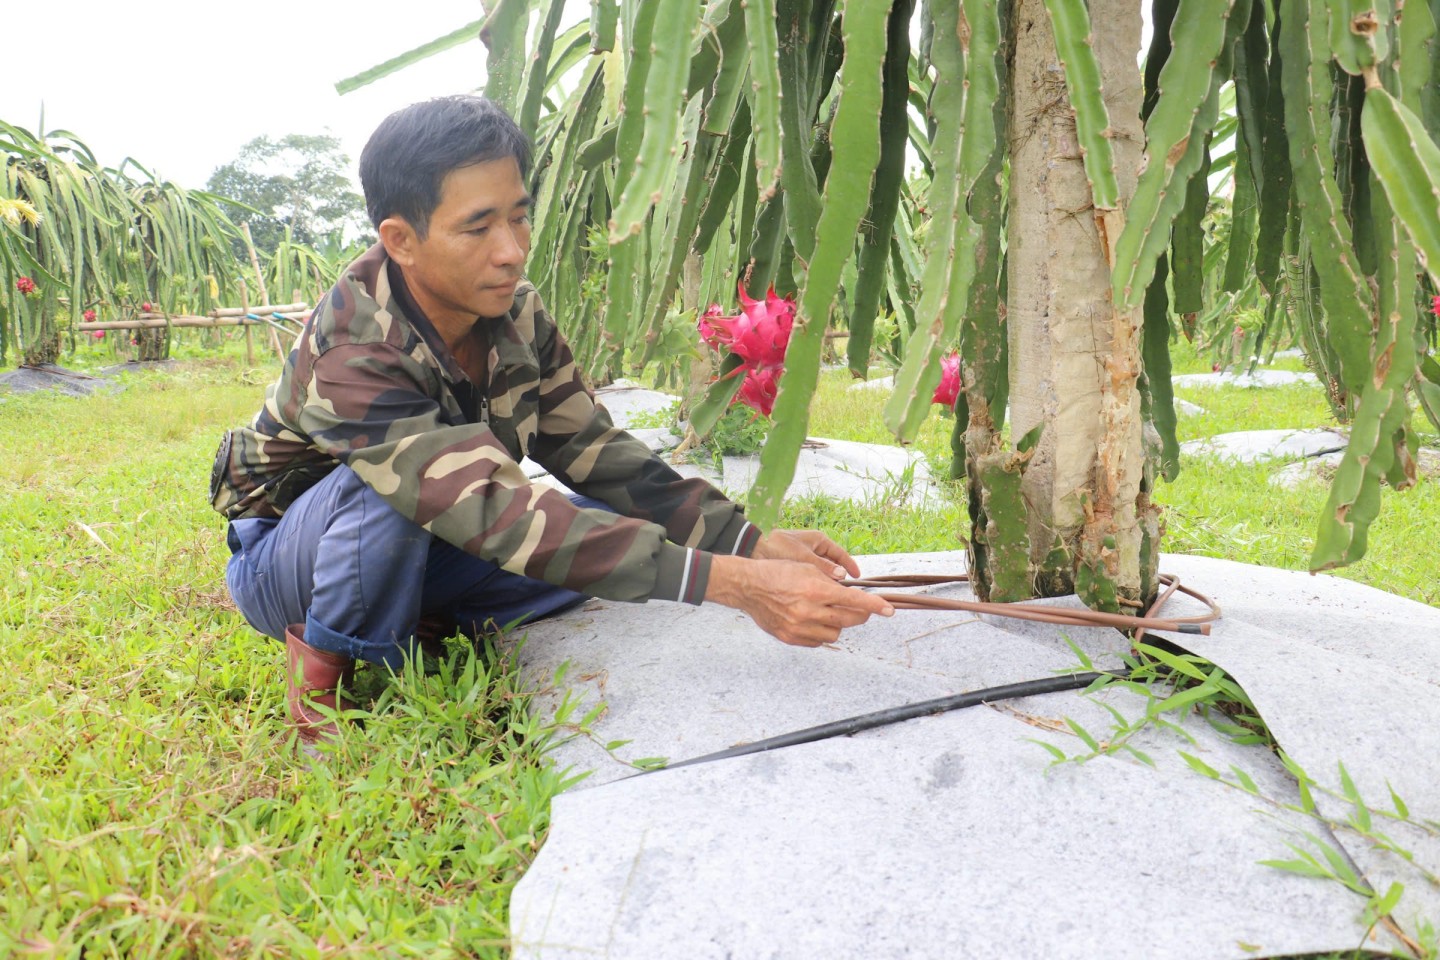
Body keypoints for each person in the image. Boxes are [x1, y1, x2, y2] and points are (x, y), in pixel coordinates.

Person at [210, 95, 894, 743]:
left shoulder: (514, 311)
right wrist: (735, 587)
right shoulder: (353, 344)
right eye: (477, 226)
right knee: (399, 492)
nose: (511, 249)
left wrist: (744, 543)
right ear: (401, 239)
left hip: (435, 536)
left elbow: (595, 450)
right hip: (290, 563)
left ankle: (427, 616)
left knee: (585, 539)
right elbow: (481, 504)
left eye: (518, 215)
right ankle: (332, 669)